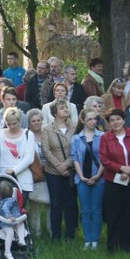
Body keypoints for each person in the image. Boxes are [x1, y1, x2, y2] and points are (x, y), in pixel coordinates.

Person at [99, 109, 130, 253]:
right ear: (109, 123)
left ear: (123, 120)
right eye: (112, 120)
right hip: (113, 180)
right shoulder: (105, 138)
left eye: (118, 119)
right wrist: (121, 168)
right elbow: (104, 159)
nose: (115, 122)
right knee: (113, 213)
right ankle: (112, 245)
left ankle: (127, 245)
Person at [42, 99, 78, 241]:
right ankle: (55, 235)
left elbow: (76, 148)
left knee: (70, 204)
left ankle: (70, 234)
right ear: (55, 113)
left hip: (70, 171)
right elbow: (46, 150)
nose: (66, 110)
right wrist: (59, 166)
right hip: (53, 172)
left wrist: (67, 164)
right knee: (55, 204)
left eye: (66, 107)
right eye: (62, 108)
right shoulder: (47, 129)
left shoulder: (75, 127)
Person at [71, 109, 104, 250]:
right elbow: (75, 159)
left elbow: (104, 158)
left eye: (94, 119)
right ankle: (87, 239)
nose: (92, 122)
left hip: (99, 178)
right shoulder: (76, 138)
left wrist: (98, 176)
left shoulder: (102, 136)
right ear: (83, 120)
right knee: (85, 210)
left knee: (96, 209)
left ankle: (95, 239)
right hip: (82, 178)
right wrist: (81, 176)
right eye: (89, 119)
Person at [0, 107, 36, 197]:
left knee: (20, 208)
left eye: (14, 123)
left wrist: (14, 170)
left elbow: (29, 158)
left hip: (23, 177)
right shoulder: (0, 134)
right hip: (4, 177)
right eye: (8, 124)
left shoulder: (28, 135)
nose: (12, 126)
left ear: (19, 121)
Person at [0, 181, 28, 259]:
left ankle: (21, 240)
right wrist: (10, 217)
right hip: (6, 222)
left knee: (20, 225)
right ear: (11, 192)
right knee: (10, 232)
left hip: (15, 220)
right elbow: (5, 210)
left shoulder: (11, 200)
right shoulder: (7, 202)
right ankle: (7, 252)